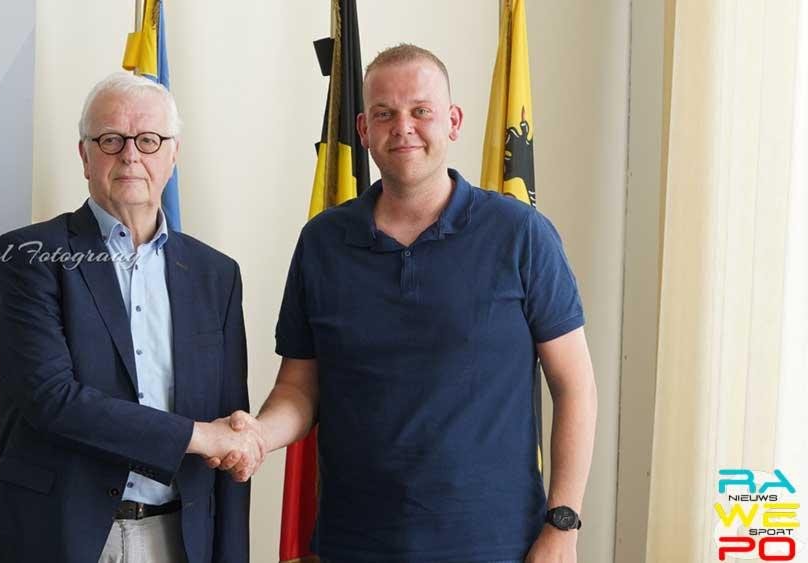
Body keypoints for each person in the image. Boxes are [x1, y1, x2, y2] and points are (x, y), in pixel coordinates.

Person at [212, 44, 598, 562]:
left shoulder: (520, 234)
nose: (404, 126)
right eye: (385, 113)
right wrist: (259, 434)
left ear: (454, 121)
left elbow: (575, 387)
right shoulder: (322, 243)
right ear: (364, 129)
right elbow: (300, 388)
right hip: (355, 543)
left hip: (497, 544)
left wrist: (563, 526)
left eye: (421, 110)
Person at [0, 73, 262, 563]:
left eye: (149, 140)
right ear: (85, 156)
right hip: (57, 534)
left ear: (174, 155)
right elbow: (50, 399)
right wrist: (198, 436)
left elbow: (229, 414)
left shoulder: (217, 274)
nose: (131, 155)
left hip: (178, 537)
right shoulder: (29, 255)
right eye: (111, 140)